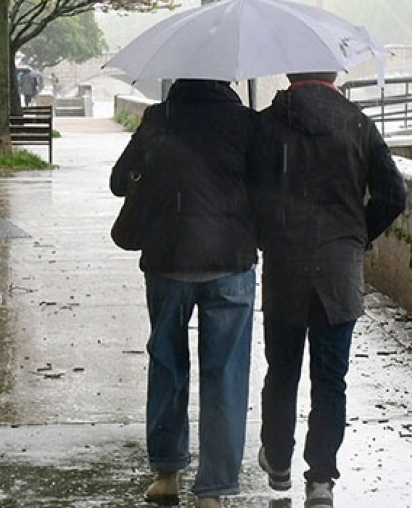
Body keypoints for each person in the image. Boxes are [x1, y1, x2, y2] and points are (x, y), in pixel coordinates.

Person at [250, 72, 407, 508]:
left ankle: (278, 461)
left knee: (281, 372)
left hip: (284, 264)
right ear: (334, 74)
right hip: (339, 270)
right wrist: (357, 236)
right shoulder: (357, 122)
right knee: (330, 379)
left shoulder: (266, 124)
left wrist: (269, 234)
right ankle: (320, 480)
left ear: (289, 72)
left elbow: (251, 195)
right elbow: (394, 194)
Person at [110, 79, 258, 508]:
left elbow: (120, 182)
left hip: (168, 262)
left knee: (168, 363)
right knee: (226, 373)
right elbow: (268, 188)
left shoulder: (160, 119)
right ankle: (212, 490)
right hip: (230, 263)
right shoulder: (245, 121)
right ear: (226, 78)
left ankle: (167, 473)